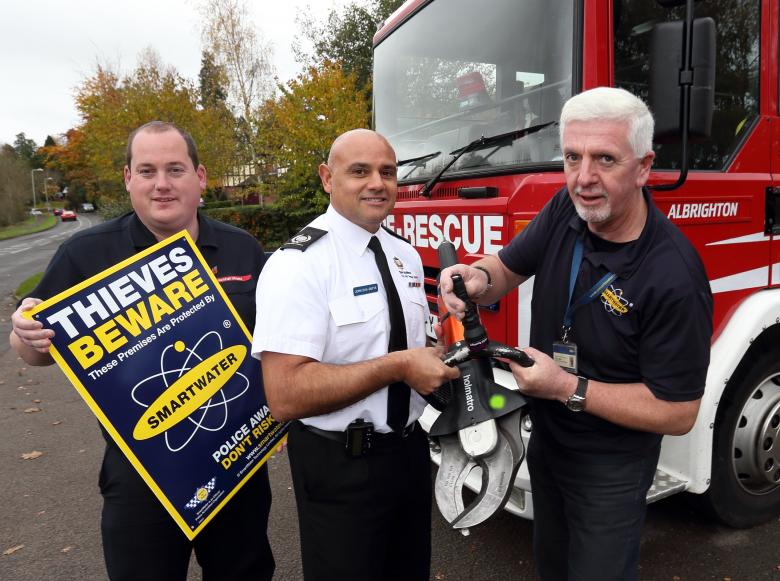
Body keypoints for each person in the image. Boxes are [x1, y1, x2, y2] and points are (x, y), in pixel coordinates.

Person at [439, 87, 713, 581]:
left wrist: (566, 387)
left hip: (612, 467)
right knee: (552, 567)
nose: (583, 178)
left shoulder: (674, 275)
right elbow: (506, 267)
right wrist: (476, 277)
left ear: (644, 167)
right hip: (547, 443)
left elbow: (678, 412)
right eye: (572, 157)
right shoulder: (567, 209)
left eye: (605, 159)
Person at [10, 121, 275, 581]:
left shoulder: (243, 248)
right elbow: (35, 351)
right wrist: (25, 334)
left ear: (200, 177)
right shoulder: (85, 254)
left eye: (176, 169)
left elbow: (277, 339)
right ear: (129, 178)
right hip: (140, 472)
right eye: (147, 171)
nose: (162, 184)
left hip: (237, 461)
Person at [252, 128, 459, 581]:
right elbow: (284, 394)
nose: (377, 184)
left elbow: (407, 343)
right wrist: (400, 366)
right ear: (327, 178)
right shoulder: (297, 265)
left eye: (388, 172)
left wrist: (440, 356)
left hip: (408, 454)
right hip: (339, 467)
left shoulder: (405, 255)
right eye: (360, 171)